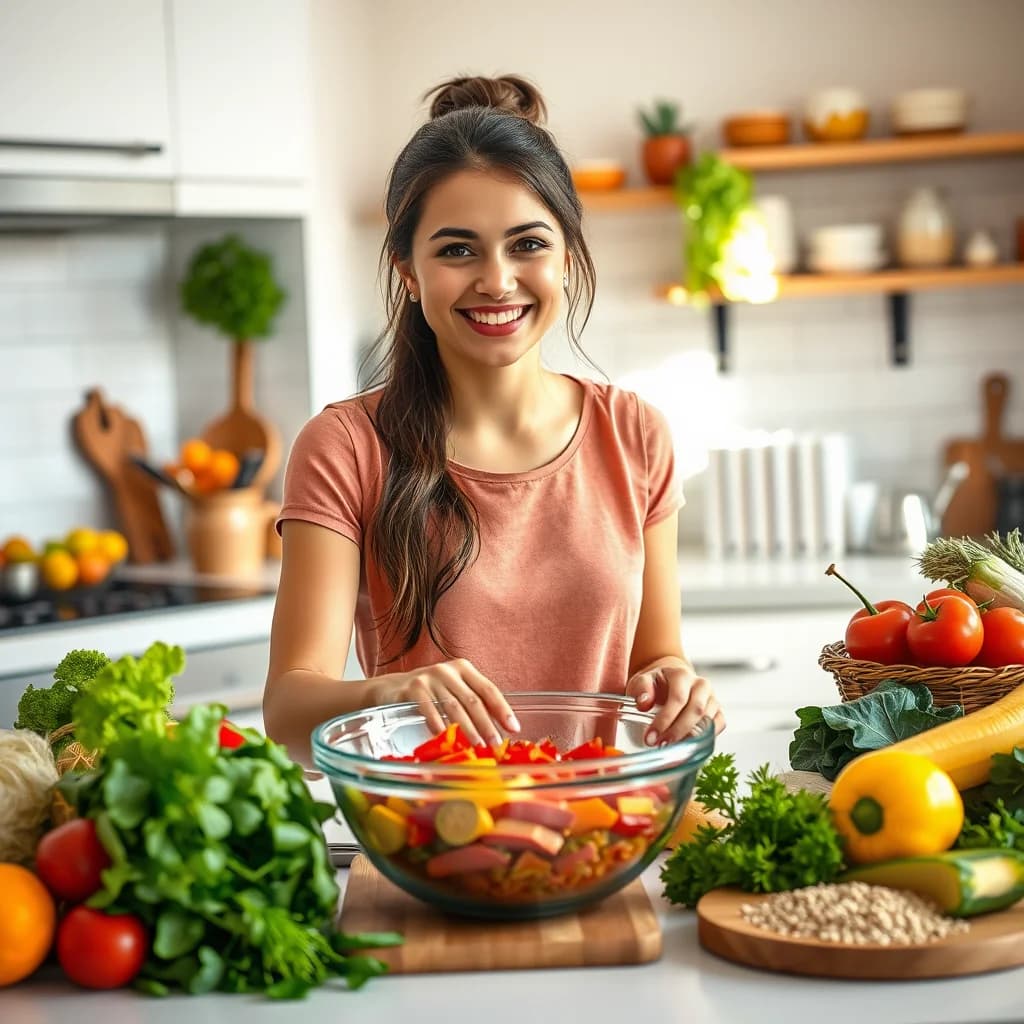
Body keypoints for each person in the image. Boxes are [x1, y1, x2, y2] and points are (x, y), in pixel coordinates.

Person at [264, 74, 724, 763]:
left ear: (567, 255)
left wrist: (675, 685)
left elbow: (655, 659)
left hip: (597, 832)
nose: (497, 280)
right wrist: (387, 692)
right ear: (409, 271)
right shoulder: (345, 446)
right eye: (456, 250)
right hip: (434, 838)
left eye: (527, 244)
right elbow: (289, 708)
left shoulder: (636, 435)